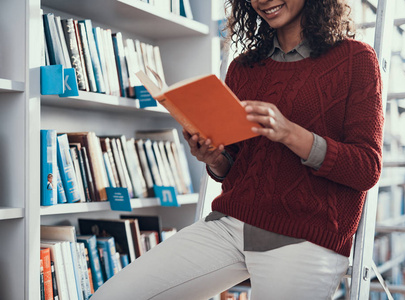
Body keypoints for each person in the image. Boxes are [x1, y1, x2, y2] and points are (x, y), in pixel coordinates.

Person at [91, 0, 383, 299]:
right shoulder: (243, 68)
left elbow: (367, 168)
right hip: (230, 224)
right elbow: (236, 166)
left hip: (305, 237)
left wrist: (290, 133)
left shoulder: (355, 59)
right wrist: (215, 159)